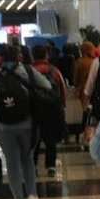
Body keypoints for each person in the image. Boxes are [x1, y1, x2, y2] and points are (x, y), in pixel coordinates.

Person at [0, 43, 50, 199]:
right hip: (28, 123)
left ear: (1, 58)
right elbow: (47, 87)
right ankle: (33, 197)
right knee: (28, 158)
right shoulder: (27, 71)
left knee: (12, 162)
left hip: (3, 127)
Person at [31, 45, 67, 177]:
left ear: (32, 56)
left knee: (34, 138)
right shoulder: (54, 71)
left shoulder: (29, 71)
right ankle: (51, 166)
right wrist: (62, 106)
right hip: (52, 109)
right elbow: (62, 89)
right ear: (46, 55)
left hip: (34, 110)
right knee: (50, 138)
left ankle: (33, 165)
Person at [73, 41, 96, 109]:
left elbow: (75, 78)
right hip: (94, 89)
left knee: (84, 109)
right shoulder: (95, 62)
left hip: (83, 90)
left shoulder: (78, 62)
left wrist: (76, 85)